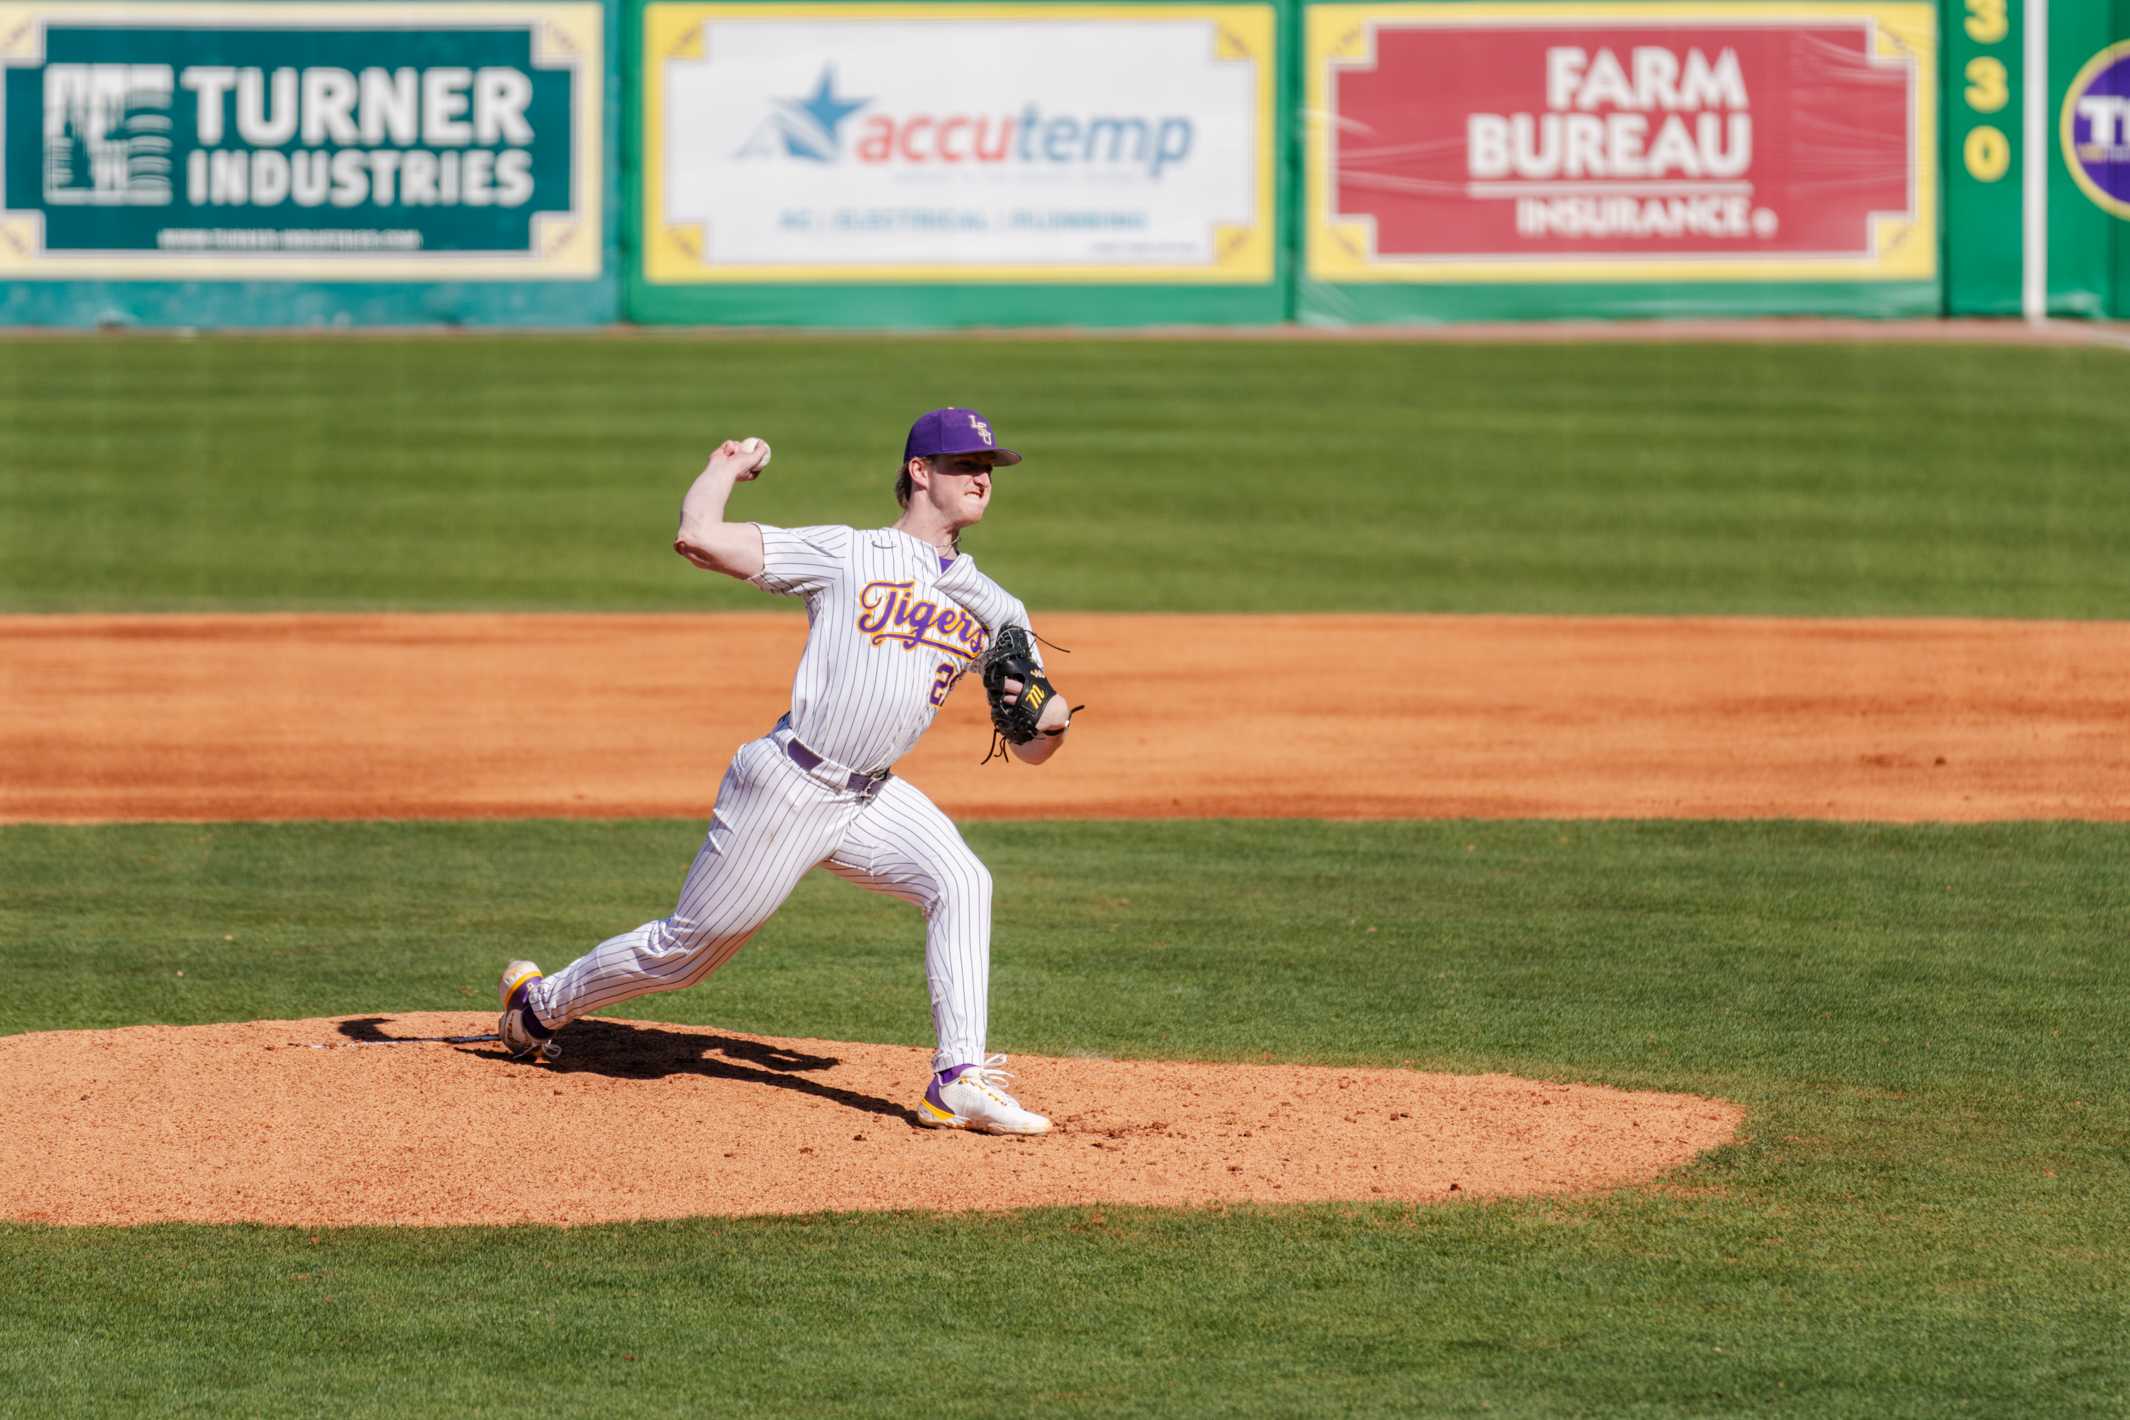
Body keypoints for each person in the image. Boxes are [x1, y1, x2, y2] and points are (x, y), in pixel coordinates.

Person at [495, 407, 1071, 1135]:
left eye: (988, 468)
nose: (981, 478)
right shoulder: (848, 553)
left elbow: (1030, 746)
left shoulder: (1000, 609)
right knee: (685, 955)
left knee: (962, 881)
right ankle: (539, 1007)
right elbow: (698, 537)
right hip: (790, 783)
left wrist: (1053, 724)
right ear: (920, 472)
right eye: (964, 465)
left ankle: (957, 1080)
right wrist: (724, 469)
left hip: (871, 794)